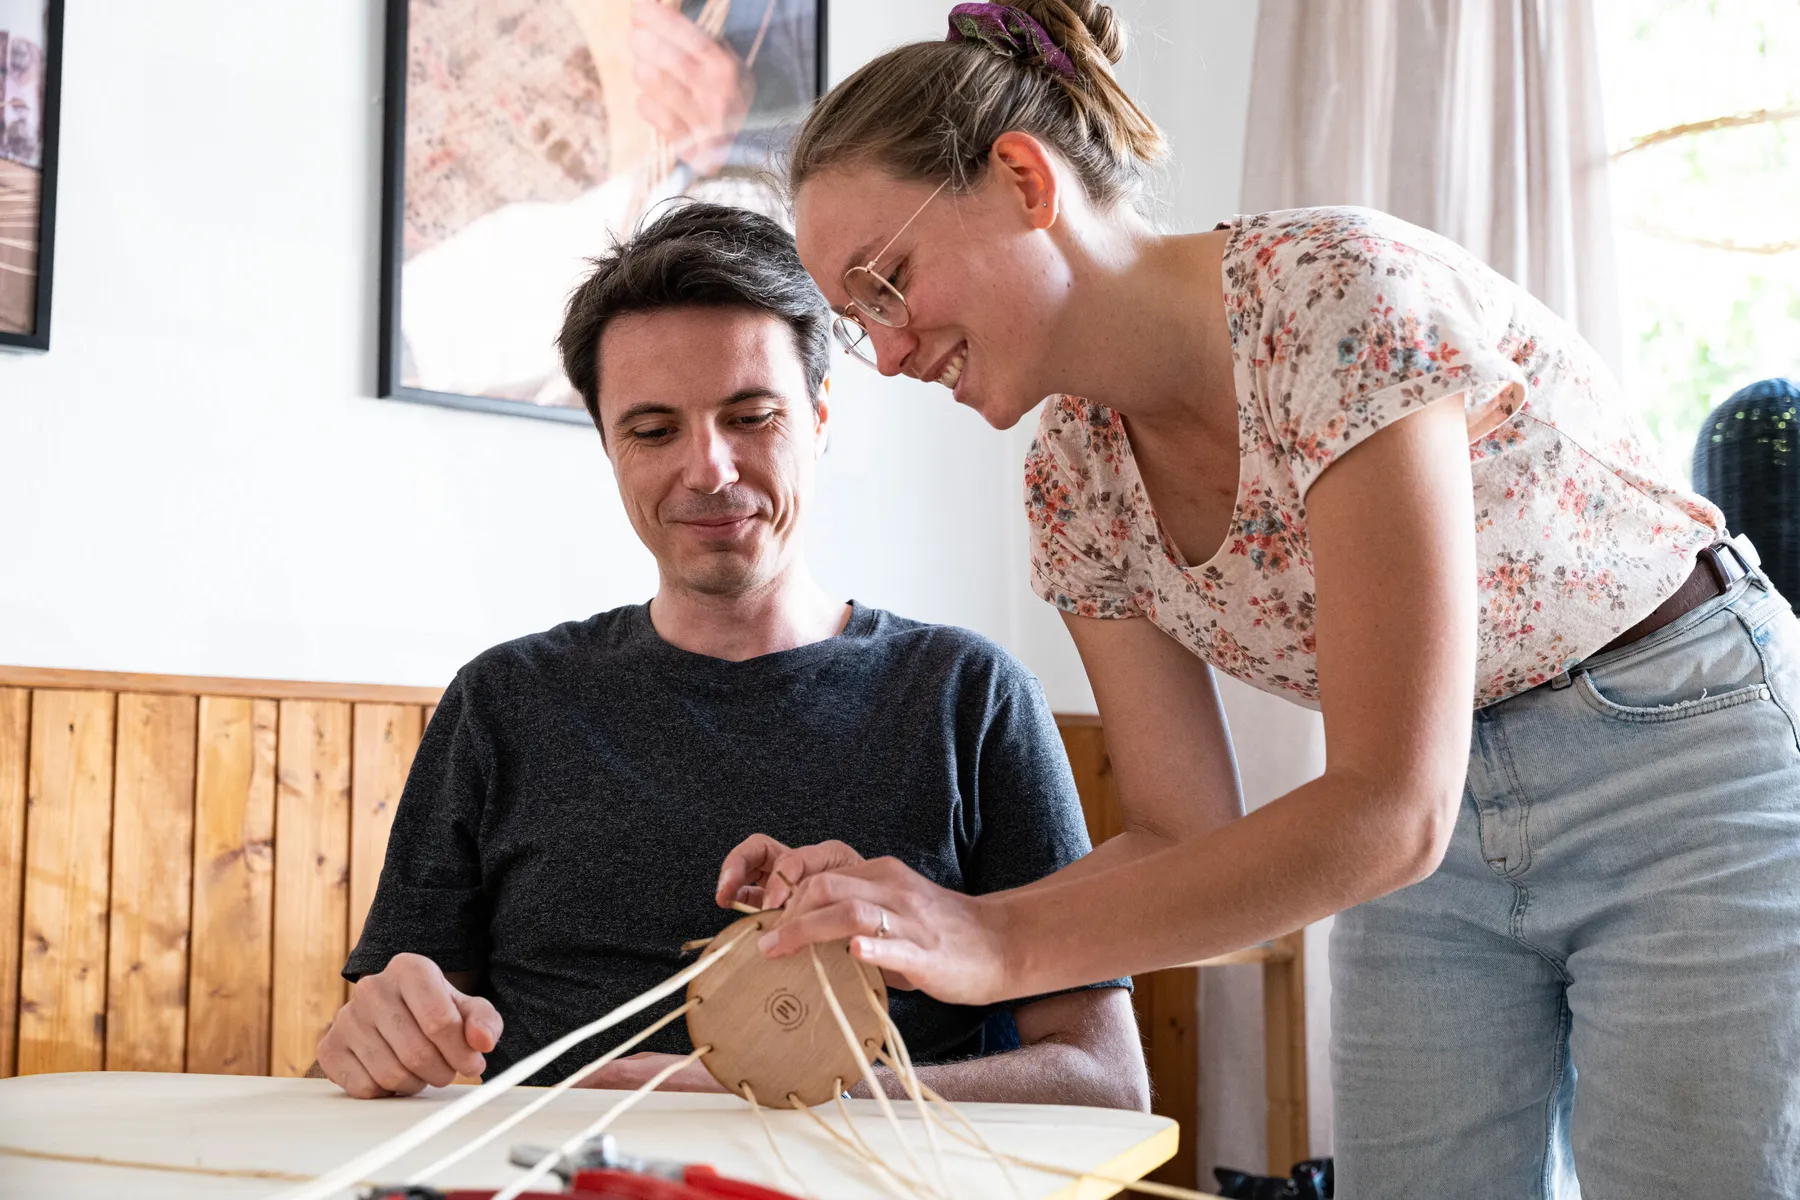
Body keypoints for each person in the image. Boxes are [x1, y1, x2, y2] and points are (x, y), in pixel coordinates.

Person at [729, 3, 1800, 1196]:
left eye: (887, 281)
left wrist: (1001, 941)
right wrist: (914, 919)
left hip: (1677, 753)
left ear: (1024, 179)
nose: (881, 350)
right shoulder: (1072, 479)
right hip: (1421, 845)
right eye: (853, 314)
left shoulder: (1334, 299)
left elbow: (1392, 804)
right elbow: (1184, 834)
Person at [311, 201, 1147, 1112]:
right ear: (607, 447)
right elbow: (375, 1050)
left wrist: (789, 1094)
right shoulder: (503, 701)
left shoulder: (967, 695)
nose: (708, 469)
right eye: (653, 430)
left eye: (751, 415)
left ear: (822, 416)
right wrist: (373, 1042)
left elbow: (1102, 1082)